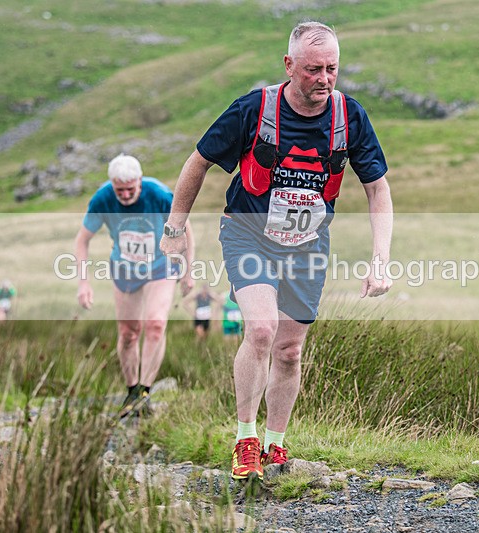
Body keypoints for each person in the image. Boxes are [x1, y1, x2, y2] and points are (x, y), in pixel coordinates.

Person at [159, 22, 393, 481]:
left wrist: (380, 259)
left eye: (331, 69)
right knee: (262, 330)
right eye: (312, 70)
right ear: (289, 66)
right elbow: (198, 161)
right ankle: (245, 439)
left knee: (288, 350)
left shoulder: (350, 117)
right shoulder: (254, 109)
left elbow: (377, 189)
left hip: (307, 244)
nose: (324, 79)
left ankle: (275, 444)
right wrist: (174, 228)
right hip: (248, 234)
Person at [75, 153, 194, 419]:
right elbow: (82, 240)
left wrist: (187, 270)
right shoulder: (102, 199)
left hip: (160, 267)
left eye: (131, 189)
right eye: (120, 190)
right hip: (125, 270)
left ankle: (144, 392)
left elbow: (186, 229)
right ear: (112, 184)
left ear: (140, 181)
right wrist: (84, 282)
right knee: (129, 332)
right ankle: (131, 390)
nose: (126, 194)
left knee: (155, 325)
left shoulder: (159, 194)